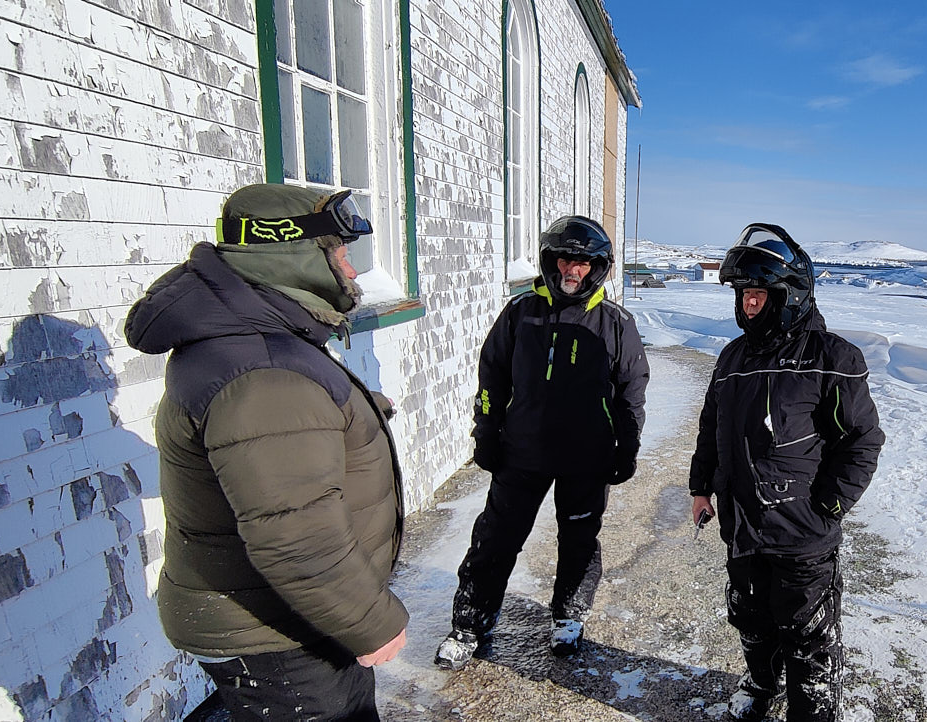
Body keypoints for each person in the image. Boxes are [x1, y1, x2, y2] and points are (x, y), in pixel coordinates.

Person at [125, 183, 408, 721]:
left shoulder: (248, 342)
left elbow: (274, 435)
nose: (351, 270)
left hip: (284, 615)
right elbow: (296, 534)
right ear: (290, 255)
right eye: (339, 254)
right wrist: (371, 622)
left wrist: (354, 411)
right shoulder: (264, 371)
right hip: (279, 635)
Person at [689, 223, 885, 722]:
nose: (749, 303)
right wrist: (701, 486)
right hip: (742, 525)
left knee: (807, 634)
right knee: (750, 618)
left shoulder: (833, 357)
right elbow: (712, 427)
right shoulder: (732, 357)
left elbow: (861, 439)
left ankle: (811, 712)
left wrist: (829, 506)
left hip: (802, 534)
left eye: (759, 293)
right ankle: (761, 682)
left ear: (789, 295)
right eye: (743, 294)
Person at [436, 215, 649, 669]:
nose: (573, 270)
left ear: (598, 268)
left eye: (583, 263)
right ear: (550, 261)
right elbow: (492, 376)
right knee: (495, 538)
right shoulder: (520, 313)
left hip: (586, 457)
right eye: (565, 260)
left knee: (579, 540)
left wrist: (627, 446)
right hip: (522, 452)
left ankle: (568, 616)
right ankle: (470, 623)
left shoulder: (616, 322)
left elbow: (631, 391)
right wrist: (486, 431)